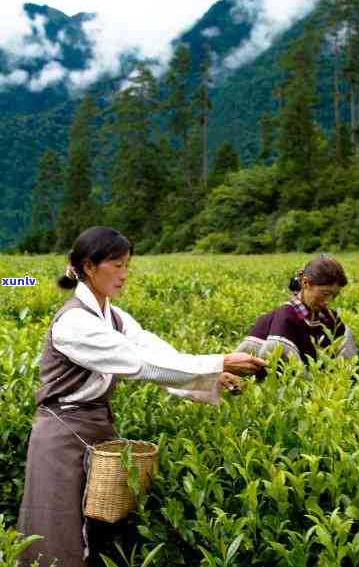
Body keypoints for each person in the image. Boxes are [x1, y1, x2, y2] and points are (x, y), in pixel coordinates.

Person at [18, 226, 265, 567]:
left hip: (97, 431)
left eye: (127, 266)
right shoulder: (74, 322)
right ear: (89, 267)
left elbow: (156, 352)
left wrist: (214, 375)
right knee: (59, 532)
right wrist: (219, 361)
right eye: (116, 265)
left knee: (100, 531)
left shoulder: (114, 318)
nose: (124, 274)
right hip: (62, 437)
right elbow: (141, 365)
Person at [236, 256, 357, 371]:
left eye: (335, 295)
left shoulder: (330, 318)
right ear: (305, 283)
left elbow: (346, 363)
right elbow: (288, 373)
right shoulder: (285, 318)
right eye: (325, 294)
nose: (328, 301)